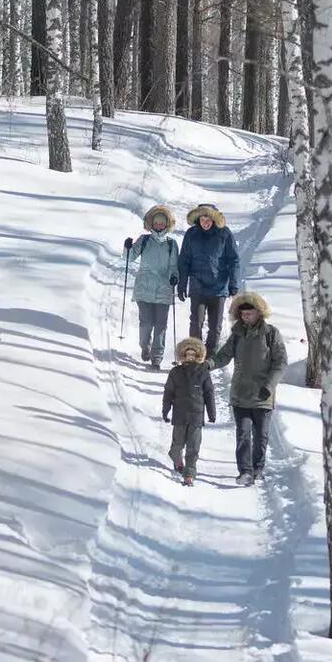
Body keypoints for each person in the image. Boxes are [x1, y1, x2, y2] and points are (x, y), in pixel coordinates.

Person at [210, 291, 285, 486]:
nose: (246, 317)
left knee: (261, 436)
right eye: (243, 314)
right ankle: (245, 471)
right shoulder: (237, 334)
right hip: (240, 394)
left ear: (259, 313)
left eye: (249, 313)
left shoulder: (271, 334)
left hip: (263, 395)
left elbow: (280, 363)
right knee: (243, 434)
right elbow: (224, 355)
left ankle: (258, 467)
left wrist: (269, 386)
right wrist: (209, 363)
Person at [178, 203, 241, 350]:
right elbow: (184, 260)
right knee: (195, 322)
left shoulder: (224, 233)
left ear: (214, 219)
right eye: (202, 219)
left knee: (215, 326)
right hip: (197, 286)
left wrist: (234, 283)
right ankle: (194, 354)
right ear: (198, 219)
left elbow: (234, 260)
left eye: (208, 219)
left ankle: (210, 355)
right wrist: (182, 283)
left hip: (218, 288)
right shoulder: (191, 234)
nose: (205, 222)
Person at [122, 206, 178, 368]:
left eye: (162, 223)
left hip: (164, 289)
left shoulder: (171, 244)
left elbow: (174, 266)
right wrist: (127, 247)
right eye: (156, 222)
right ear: (151, 223)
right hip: (144, 288)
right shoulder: (144, 240)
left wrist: (174, 277)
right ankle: (144, 347)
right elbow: (129, 258)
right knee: (146, 323)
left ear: (167, 224)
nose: (159, 225)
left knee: (161, 326)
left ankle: (157, 358)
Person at [161, 337, 216, 486]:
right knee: (177, 445)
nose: (190, 357)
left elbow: (209, 393)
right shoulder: (175, 372)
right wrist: (165, 410)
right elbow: (168, 392)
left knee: (193, 447)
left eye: (193, 354)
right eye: (187, 354)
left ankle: (189, 474)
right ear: (182, 355)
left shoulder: (203, 373)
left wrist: (212, 413)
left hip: (196, 416)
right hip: (179, 415)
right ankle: (176, 459)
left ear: (198, 356)